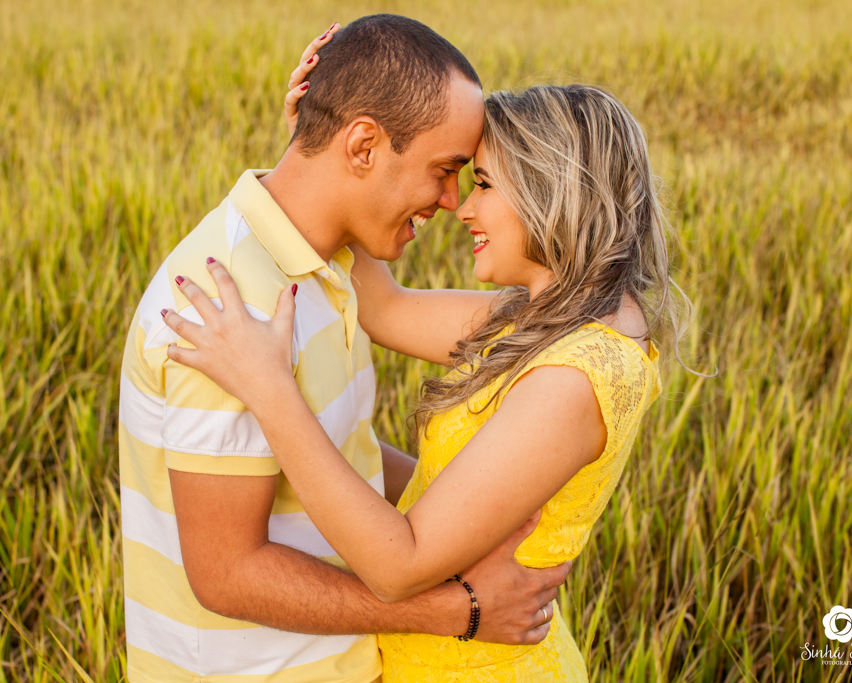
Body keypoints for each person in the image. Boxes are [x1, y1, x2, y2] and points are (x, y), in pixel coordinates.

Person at [161, 53, 684, 679]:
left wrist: (269, 389)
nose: (461, 208)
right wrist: (320, 152)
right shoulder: (546, 321)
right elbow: (385, 307)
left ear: (554, 192)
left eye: (484, 184)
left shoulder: (576, 377)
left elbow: (397, 566)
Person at [117, 15, 572, 683]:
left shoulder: (326, 264)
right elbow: (228, 573)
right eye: (445, 170)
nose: (451, 202)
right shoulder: (226, 308)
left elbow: (342, 454)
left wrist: (463, 515)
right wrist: (457, 609)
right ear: (362, 146)